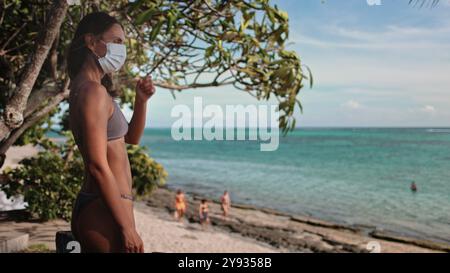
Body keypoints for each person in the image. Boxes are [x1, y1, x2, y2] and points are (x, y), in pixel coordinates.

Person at [67, 12, 155, 253]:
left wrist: (141, 101)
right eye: (116, 41)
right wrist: (127, 227)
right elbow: (97, 164)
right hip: (103, 212)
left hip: (102, 207)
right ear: (92, 42)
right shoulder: (93, 92)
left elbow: (130, 140)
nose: (122, 49)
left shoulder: (88, 88)